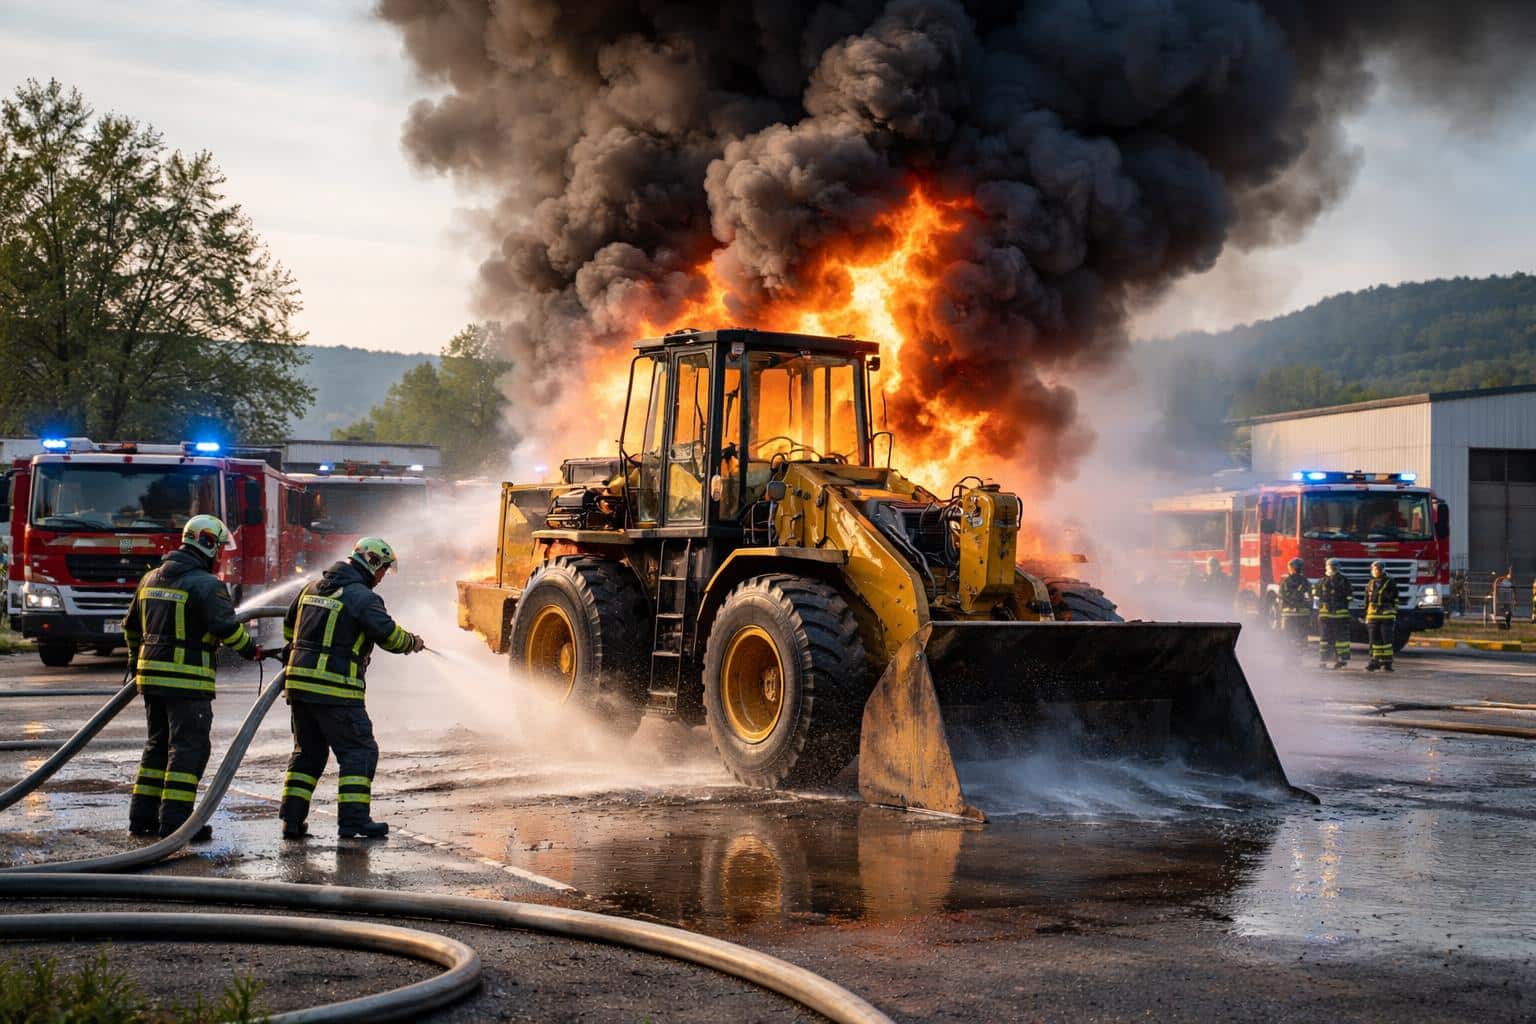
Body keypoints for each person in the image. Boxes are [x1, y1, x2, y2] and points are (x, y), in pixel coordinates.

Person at [122, 515, 262, 839]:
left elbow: (130, 627)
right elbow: (227, 629)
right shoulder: (206, 584)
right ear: (208, 545)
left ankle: (142, 818)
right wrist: (251, 650)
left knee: (157, 747)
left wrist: (135, 660)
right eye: (219, 550)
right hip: (187, 683)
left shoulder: (150, 579)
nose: (220, 557)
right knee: (189, 751)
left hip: (151, 681)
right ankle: (176, 825)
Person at [277, 537, 424, 840]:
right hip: (337, 689)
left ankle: (291, 820)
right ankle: (354, 821)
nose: (383, 577)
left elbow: (289, 627)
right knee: (359, 750)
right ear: (372, 565)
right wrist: (412, 642)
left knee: (308, 754)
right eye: (383, 570)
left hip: (300, 687)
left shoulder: (311, 588)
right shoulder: (362, 597)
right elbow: (389, 637)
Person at [1313, 557, 1352, 669]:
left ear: (1338, 568)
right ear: (1326, 567)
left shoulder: (1344, 581)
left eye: (1334, 566)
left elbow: (1349, 597)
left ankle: (1342, 659)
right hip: (1325, 616)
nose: (1332, 569)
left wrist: (1342, 605)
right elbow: (1316, 598)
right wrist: (1317, 611)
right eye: (1330, 566)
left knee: (1341, 639)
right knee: (1325, 639)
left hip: (1340, 616)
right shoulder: (1321, 582)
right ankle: (1323, 660)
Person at [1364, 560, 1400, 672]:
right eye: (1373, 569)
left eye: (1377, 569)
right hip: (1373, 616)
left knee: (1386, 641)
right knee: (1374, 641)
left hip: (1386, 616)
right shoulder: (1370, 583)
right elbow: (1367, 600)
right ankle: (1374, 661)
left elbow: (1395, 599)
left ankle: (1387, 663)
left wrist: (1394, 612)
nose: (1375, 571)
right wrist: (1366, 614)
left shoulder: (1390, 582)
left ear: (1382, 570)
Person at [1278, 557, 1312, 650]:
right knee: (1301, 636)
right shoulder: (1305, 582)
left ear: (1291, 568)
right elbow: (1309, 597)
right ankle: (1299, 653)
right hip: (1303, 615)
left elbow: (1281, 595)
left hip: (1288, 614)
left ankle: (1289, 656)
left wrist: (1290, 602)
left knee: (1288, 636)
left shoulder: (1286, 581)